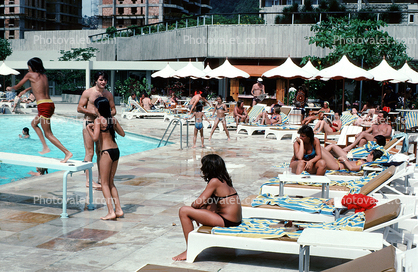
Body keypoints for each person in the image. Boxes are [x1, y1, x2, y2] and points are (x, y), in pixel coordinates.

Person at [172, 154, 242, 261]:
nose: (201, 169)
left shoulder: (214, 181)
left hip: (226, 221)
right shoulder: (225, 180)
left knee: (184, 211)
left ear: (208, 168)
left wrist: (196, 210)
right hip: (234, 220)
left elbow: (197, 203)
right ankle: (191, 246)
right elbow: (210, 203)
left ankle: (189, 249)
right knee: (208, 203)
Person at [6, 57, 73, 163]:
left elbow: (17, 86)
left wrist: (10, 88)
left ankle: (67, 152)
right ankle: (45, 147)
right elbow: (38, 87)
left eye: (28, 66)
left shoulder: (30, 75)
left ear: (32, 66)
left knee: (48, 134)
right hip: (49, 104)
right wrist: (26, 90)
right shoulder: (44, 76)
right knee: (33, 123)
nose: (28, 69)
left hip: (43, 107)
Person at [87, 97, 125, 220]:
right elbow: (122, 134)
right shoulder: (112, 120)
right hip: (115, 151)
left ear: (98, 108)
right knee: (111, 182)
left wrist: (89, 128)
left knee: (104, 183)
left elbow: (95, 138)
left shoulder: (98, 121)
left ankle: (110, 212)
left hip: (106, 153)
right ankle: (118, 209)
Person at [77, 71, 116, 189]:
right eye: (101, 80)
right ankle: (89, 181)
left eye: (105, 80)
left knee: (101, 152)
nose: (103, 82)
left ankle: (101, 179)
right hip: (89, 123)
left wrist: (105, 115)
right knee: (90, 152)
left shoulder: (108, 95)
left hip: (102, 124)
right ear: (96, 81)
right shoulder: (88, 92)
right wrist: (94, 113)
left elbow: (114, 110)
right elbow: (79, 108)